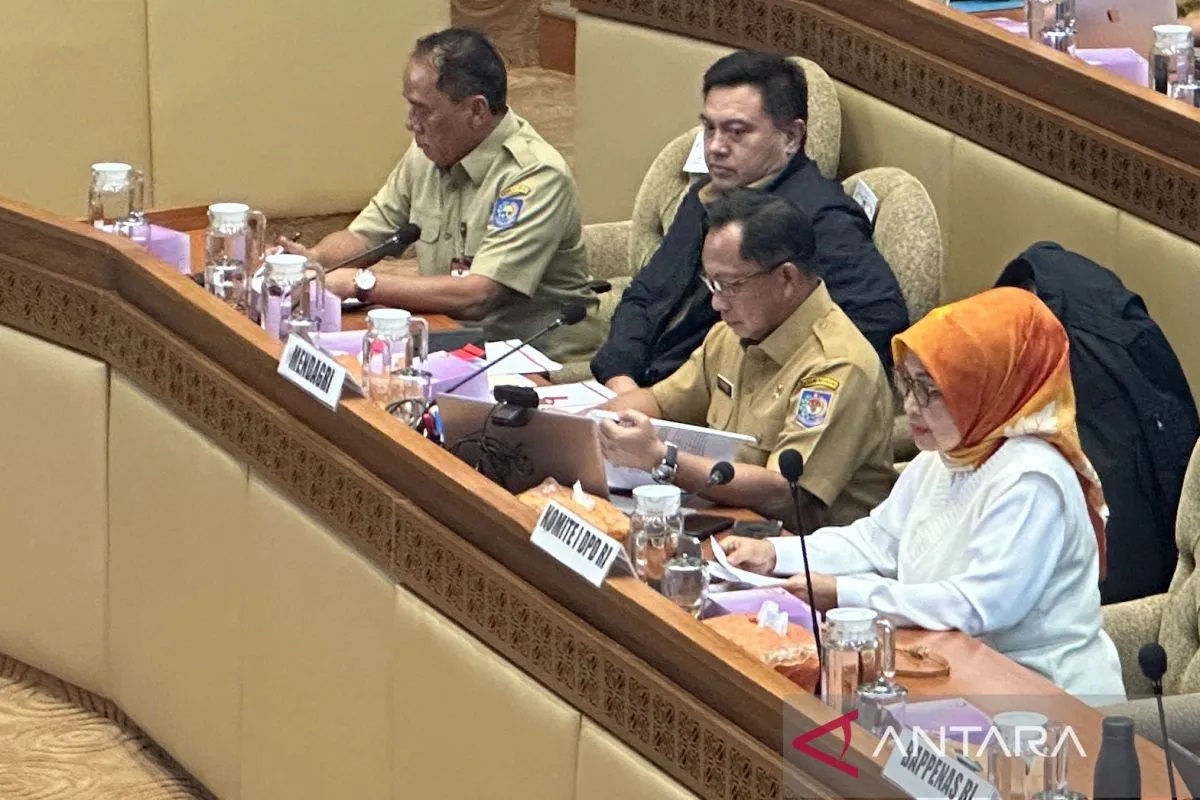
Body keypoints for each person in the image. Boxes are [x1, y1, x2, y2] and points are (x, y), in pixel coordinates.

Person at [722, 287, 1126, 700]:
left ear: (985, 387)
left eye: (930, 390)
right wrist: (777, 555)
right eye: (907, 384)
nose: (911, 407)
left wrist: (847, 593)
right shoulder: (949, 453)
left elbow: (979, 606)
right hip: (944, 666)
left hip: (1041, 695)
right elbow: (876, 541)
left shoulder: (1032, 478)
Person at [590, 51, 908, 393]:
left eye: (736, 132)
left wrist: (759, 382)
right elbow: (646, 295)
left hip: (717, 408)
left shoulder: (818, 217)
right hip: (641, 392)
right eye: (709, 128)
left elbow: (878, 322)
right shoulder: (709, 195)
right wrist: (622, 379)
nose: (715, 147)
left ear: (791, 136)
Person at [278, 27, 603, 362]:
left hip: (537, 361)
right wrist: (311, 263)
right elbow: (368, 236)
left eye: (422, 110)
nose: (411, 123)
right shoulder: (427, 152)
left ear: (476, 111)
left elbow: (479, 295)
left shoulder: (534, 175)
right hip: (450, 342)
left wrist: (361, 283)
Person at [598, 190, 896, 531]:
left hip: (807, 555)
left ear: (786, 278)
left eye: (729, 285)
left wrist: (662, 459)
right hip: (728, 522)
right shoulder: (732, 333)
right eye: (711, 284)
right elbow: (661, 402)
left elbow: (785, 491)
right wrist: (592, 426)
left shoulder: (837, 366)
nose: (717, 303)